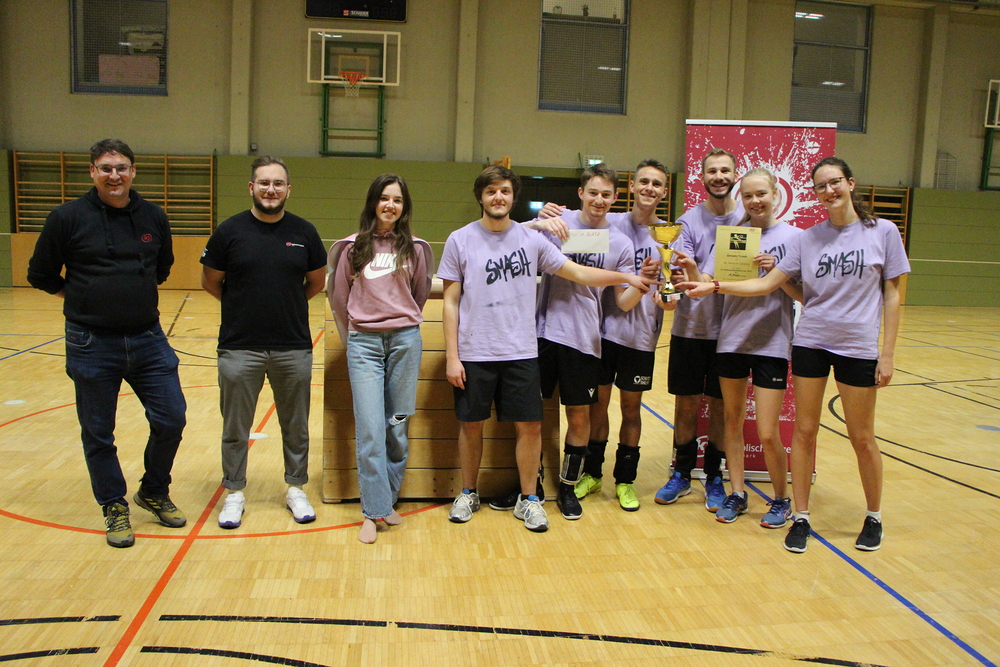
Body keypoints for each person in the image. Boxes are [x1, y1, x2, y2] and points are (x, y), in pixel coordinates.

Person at [677, 157, 910, 553]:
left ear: (850, 183)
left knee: (862, 437)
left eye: (834, 183)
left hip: (855, 347)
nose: (829, 191)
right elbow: (771, 284)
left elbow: (892, 293)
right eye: (821, 186)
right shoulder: (808, 238)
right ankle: (800, 515)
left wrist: (887, 354)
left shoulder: (883, 231)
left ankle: (873, 516)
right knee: (803, 432)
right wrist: (710, 284)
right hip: (809, 343)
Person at [438, 165, 657, 532]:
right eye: (491, 191)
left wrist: (629, 277)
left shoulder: (550, 240)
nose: (498, 197)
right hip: (502, 345)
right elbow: (451, 299)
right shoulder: (468, 238)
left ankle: (546, 494)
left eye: (505, 191)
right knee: (478, 425)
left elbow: (580, 273)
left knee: (545, 423)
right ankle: (485, 491)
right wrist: (452, 355)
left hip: (547, 346)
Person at [27, 138, 187, 548]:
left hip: (148, 338)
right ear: (92, 172)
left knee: (172, 419)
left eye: (121, 168)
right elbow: (40, 274)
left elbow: (162, 268)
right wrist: (83, 298)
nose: (114, 176)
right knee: (99, 432)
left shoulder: (153, 216)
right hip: (91, 342)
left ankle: (153, 490)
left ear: (133, 171)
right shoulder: (66, 218)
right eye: (105, 168)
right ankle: (114, 506)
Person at [532, 159, 675, 512]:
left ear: (614, 198)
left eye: (606, 195)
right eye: (593, 193)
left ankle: (583, 484)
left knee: (590, 415)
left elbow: (624, 302)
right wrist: (539, 219)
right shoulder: (561, 222)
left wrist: (642, 283)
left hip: (594, 338)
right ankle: (533, 485)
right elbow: (513, 237)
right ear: (581, 193)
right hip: (550, 334)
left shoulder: (623, 241)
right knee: (538, 414)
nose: (598, 200)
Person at [201, 156, 327, 529]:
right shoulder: (229, 231)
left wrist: (284, 305)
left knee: (296, 426)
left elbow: (316, 282)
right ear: (251, 187)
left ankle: (296, 488)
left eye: (278, 183)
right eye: (264, 182)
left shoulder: (305, 232)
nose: (271, 189)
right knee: (235, 428)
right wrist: (242, 307)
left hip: (293, 347)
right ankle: (234, 492)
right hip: (239, 347)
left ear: (288, 189)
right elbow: (211, 281)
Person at [328, 174, 433, 544]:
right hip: (364, 346)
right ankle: (373, 511)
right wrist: (359, 333)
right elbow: (340, 298)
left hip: (405, 342)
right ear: (374, 202)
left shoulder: (415, 249)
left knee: (396, 427)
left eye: (398, 200)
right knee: (371, 430)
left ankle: (385, 500)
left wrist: (400, 322)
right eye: (385, 198)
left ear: (404, 207)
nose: (391, 205)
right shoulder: (352, 247)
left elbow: (419, 293)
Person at [706, 168, 803, 525]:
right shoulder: (733, 236)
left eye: (761, 193)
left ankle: (781, 499)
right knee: (732, 421)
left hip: (772, 343)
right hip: (732, 339)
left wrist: (780, 273)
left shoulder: (795, 238)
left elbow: (803, 295)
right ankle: (737, 493)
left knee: (766, 431)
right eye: (747, 195)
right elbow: (712, 279)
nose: (755, 201)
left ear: (775, 194)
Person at [654, 148, 744, 513]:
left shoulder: (748, 220)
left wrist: (702, 275)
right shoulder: (686, 222)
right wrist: (684, 282)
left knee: (720, 407)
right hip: (691, 329)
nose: (718, 176)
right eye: (712, 171)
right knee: (687, 404)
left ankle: (714, 476)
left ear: (735, 175)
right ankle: (681, 473)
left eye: (725, 170)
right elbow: (681, 277)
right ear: (702, 177)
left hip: (731, 331)